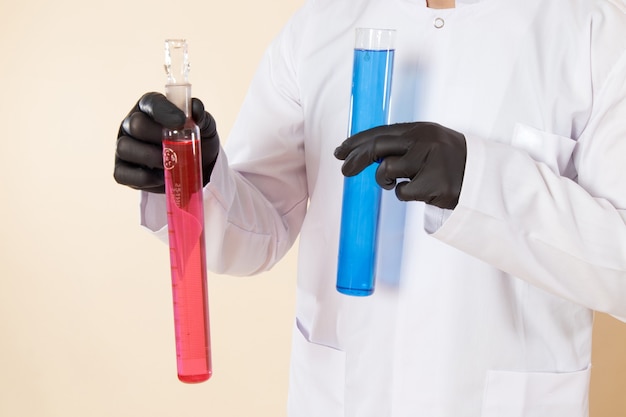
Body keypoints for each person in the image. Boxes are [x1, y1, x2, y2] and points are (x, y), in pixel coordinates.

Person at [114, 0, 626, 415]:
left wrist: (480, 180)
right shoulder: (319, 26)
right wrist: (197, 179)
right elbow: (258, 232)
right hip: (345, 396)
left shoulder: (592, 30)